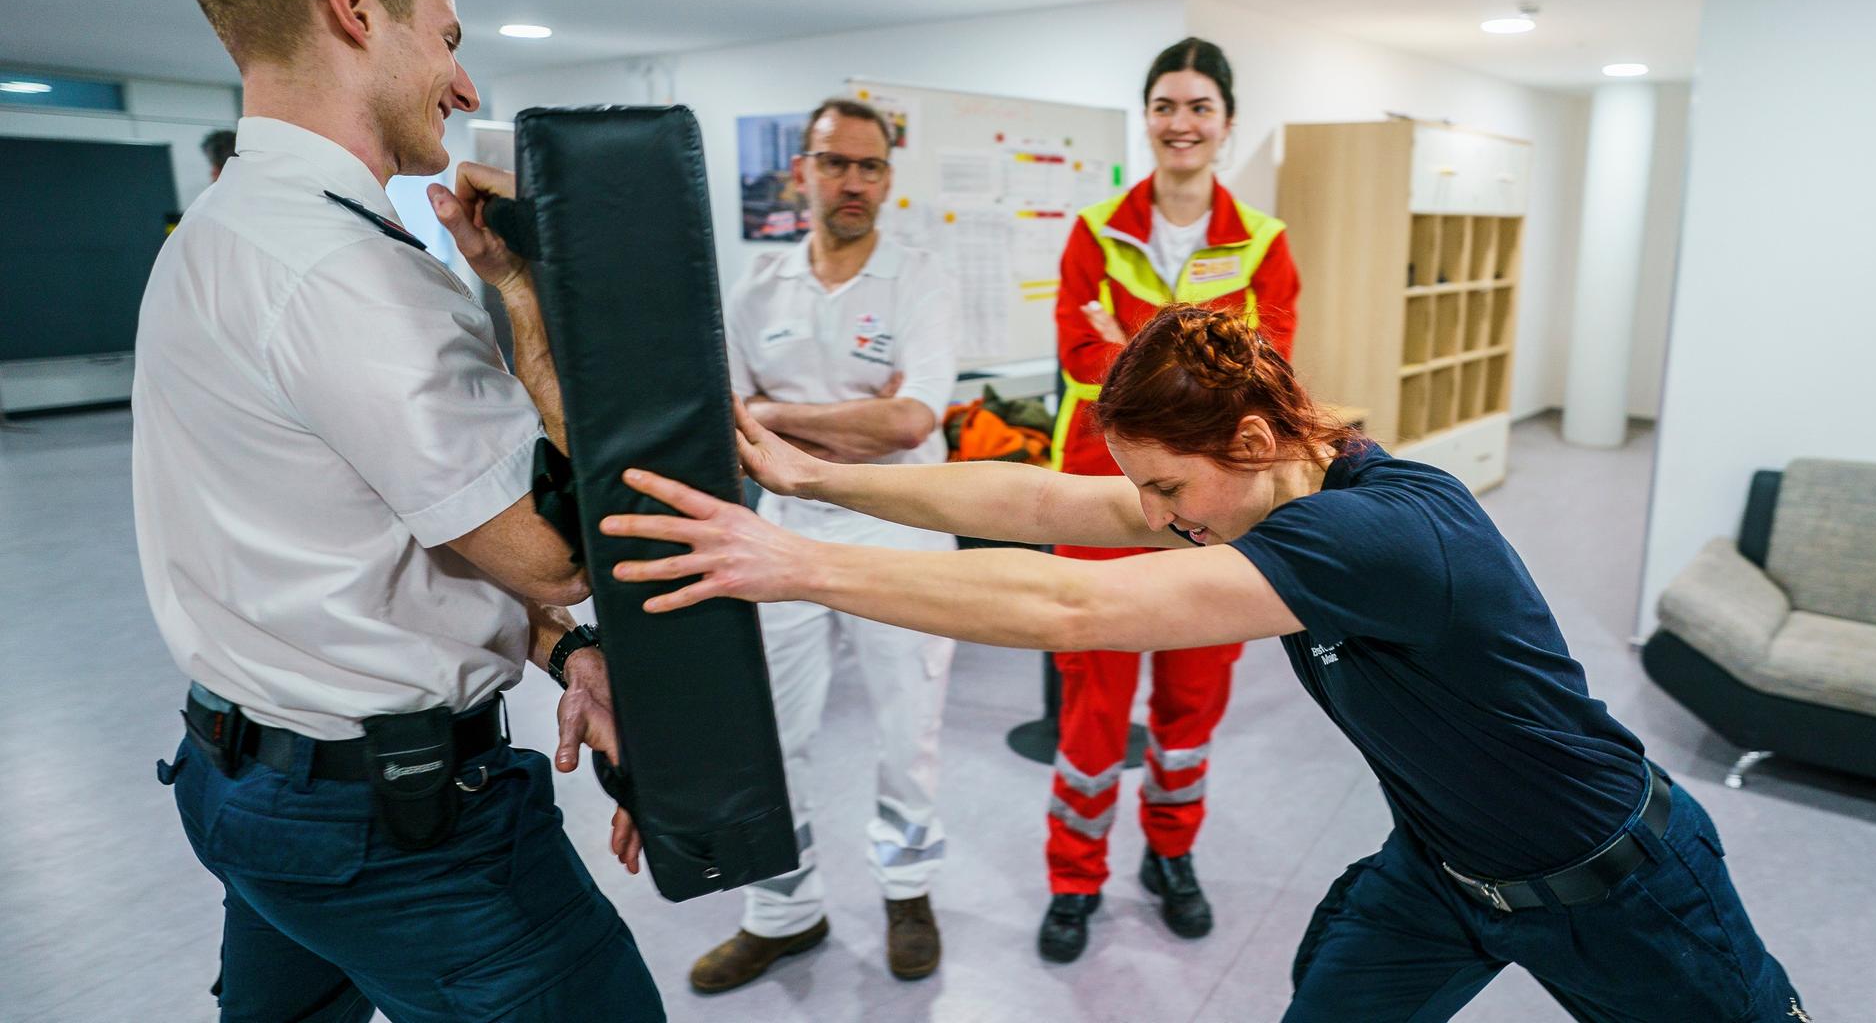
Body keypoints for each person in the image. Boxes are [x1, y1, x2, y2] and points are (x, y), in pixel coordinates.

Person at [601, 307, 1809, 1022]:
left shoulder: (1376, 534)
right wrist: (814, 479)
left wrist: (795, 562)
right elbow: (1040, 500)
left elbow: (1071, 603)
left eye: (1171, 490)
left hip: (1626, 885)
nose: (1162, 514)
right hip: (1448, 873)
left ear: (1249, 439)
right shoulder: (1270, 489)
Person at [135, 0, 662, 1019]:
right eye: (451, 41)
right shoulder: (348, 273)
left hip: (246, 785)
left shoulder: (217, 232)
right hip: (399, 835)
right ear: (354, 6)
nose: (465, 88)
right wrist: (521, 296)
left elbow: (367, 531)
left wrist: (562, 652)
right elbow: (553, 554)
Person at [688, 96, 960, 993]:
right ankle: (782, 909)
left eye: (871, 166)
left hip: (903, 532)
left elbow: (910, 419)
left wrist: (775, 416)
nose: (853, 182)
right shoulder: (756, 287)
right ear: (800, 171)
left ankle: (907, 889)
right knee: (771, 730)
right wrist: (836, 420)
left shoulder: (921, 277)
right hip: (785, 533)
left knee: (905, 730)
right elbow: (725, 421)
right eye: (835, 163)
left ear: (889, 178)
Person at [1041, 35, 1302, 961]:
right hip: (1100, 497)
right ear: (1146, 118)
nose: (1180, 123)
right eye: (1165, 105)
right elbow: (1078, 357)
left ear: (1227, 123)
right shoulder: (1094, 230)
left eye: (1198, 107)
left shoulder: (1263, 245)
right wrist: (1198, 359)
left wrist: (1134, 345)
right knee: (1093, 704)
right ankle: (1074, 877)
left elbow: (1265, 378)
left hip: (1219, 509)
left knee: (1192, 702)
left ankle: (1170, 855)